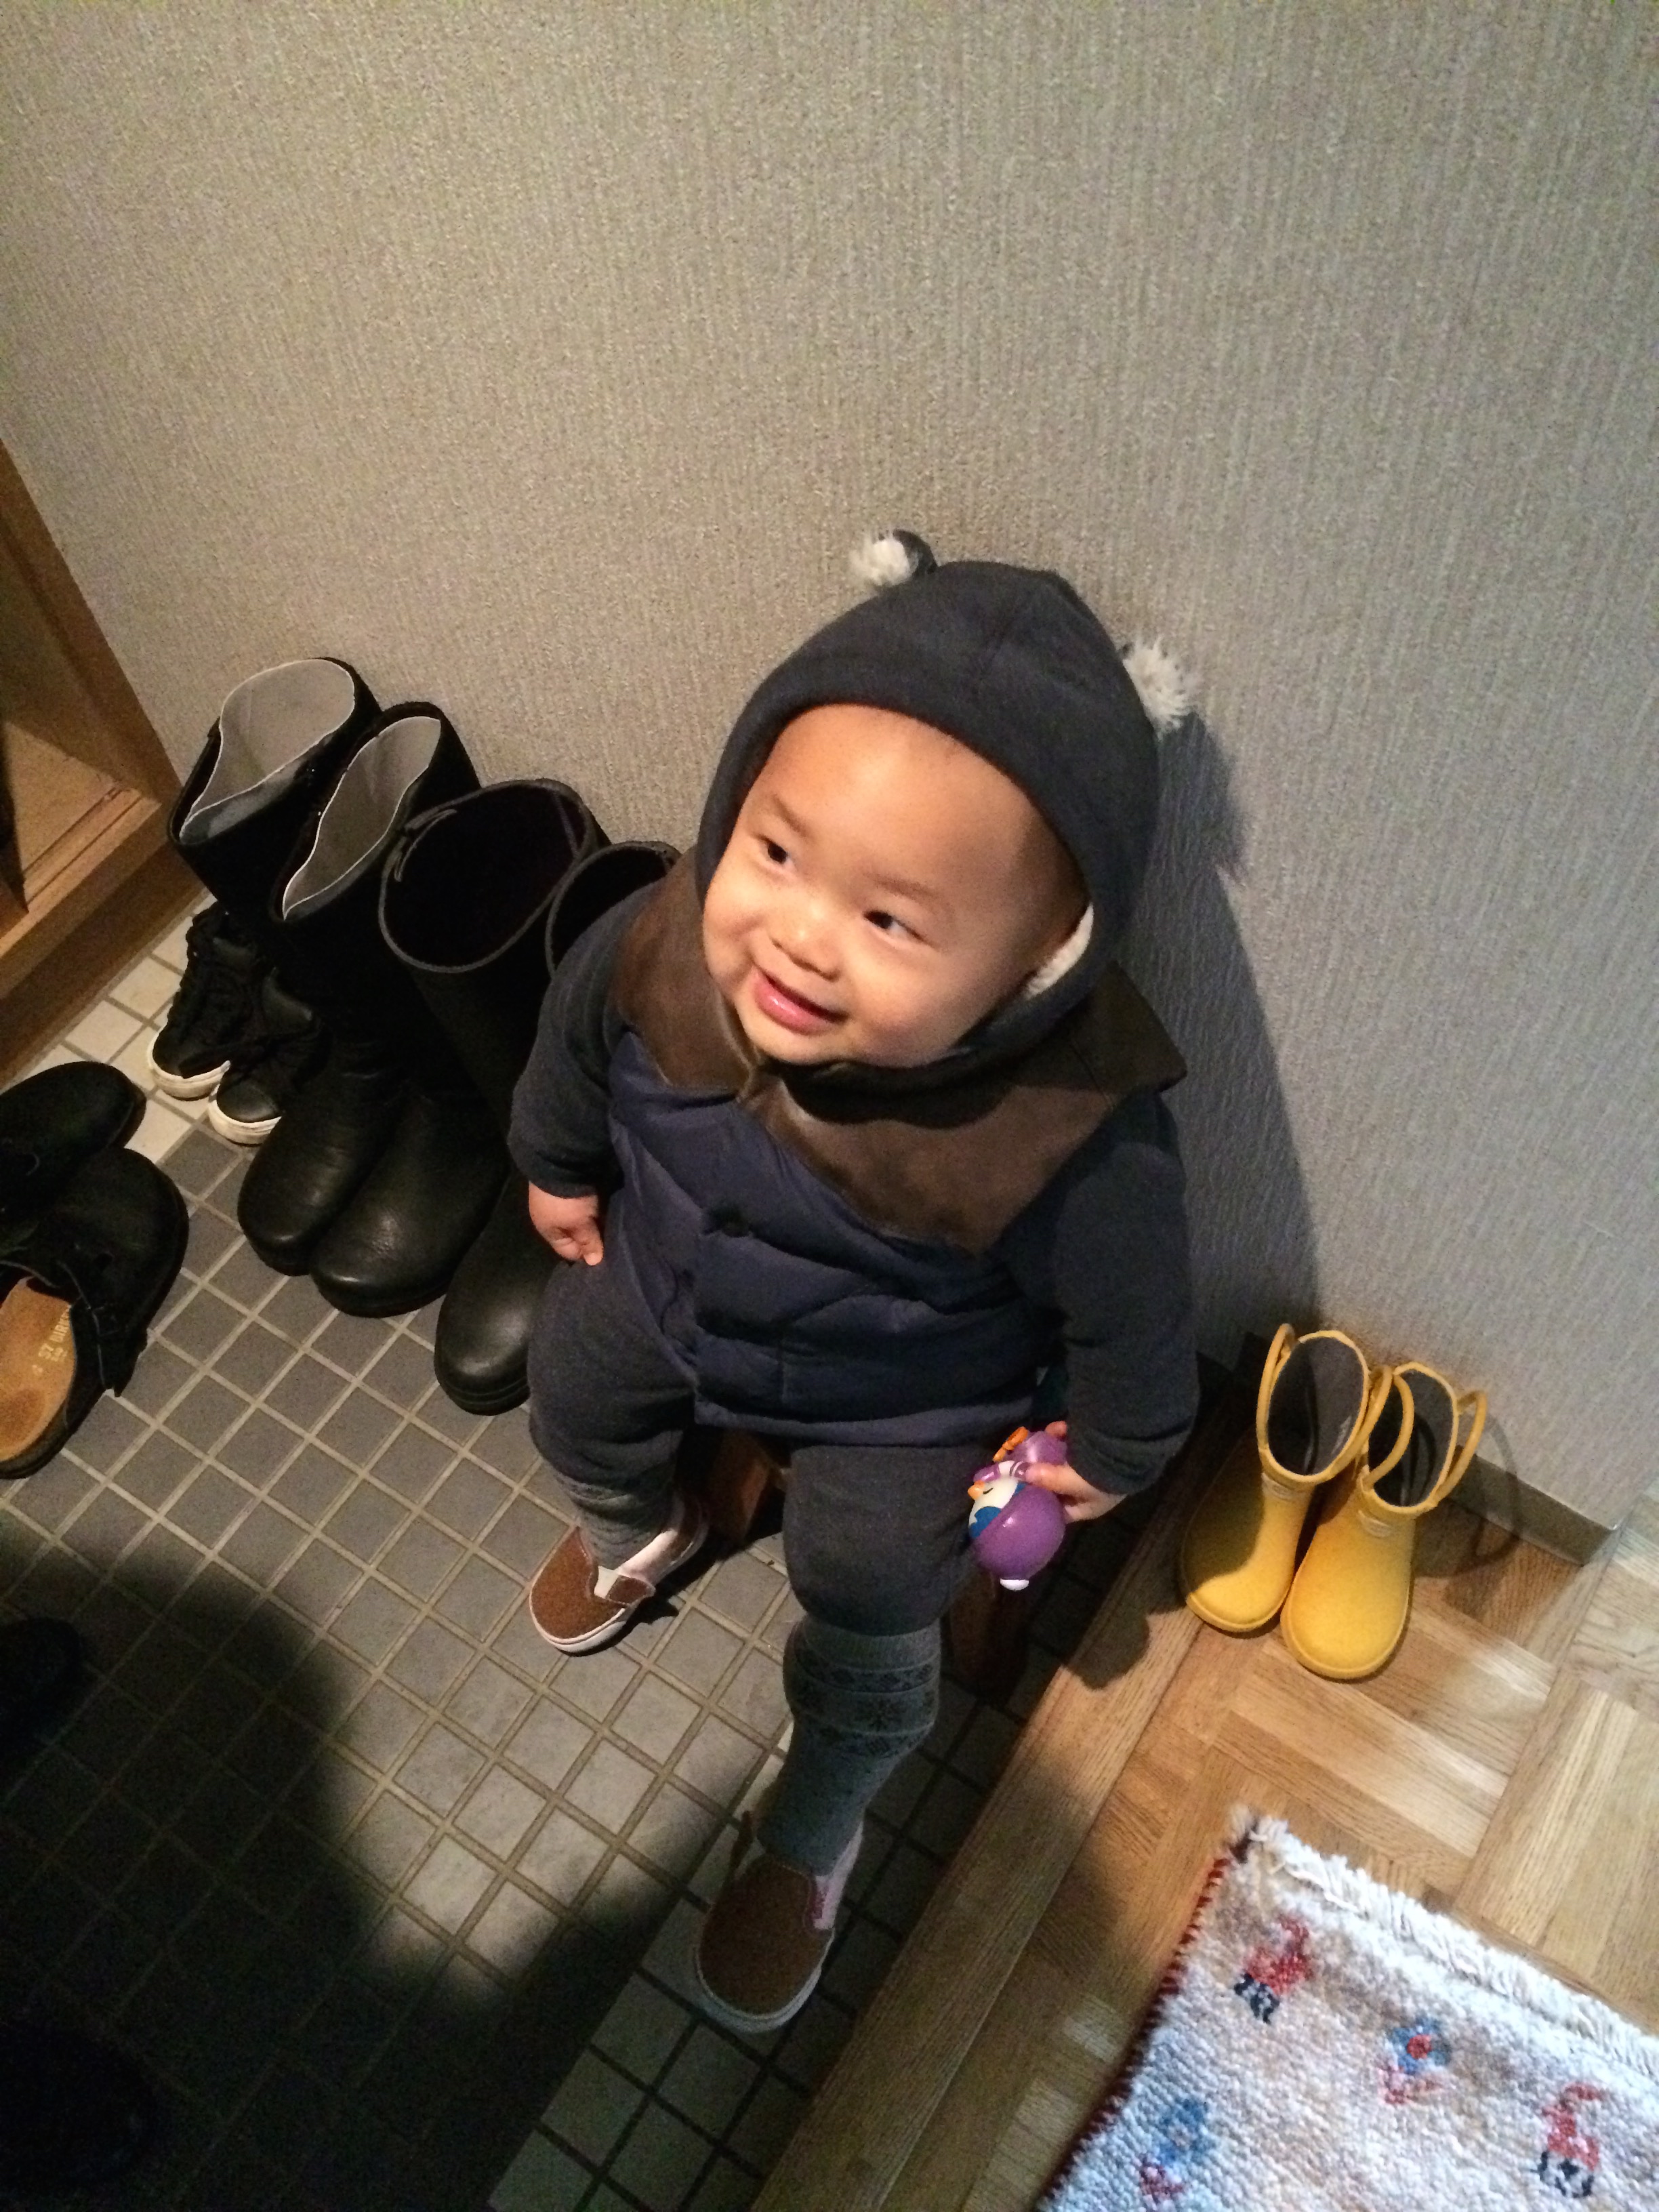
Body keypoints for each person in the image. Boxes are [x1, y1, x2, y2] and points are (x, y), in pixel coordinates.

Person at [508, 532, 1199, 2032]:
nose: (799, 936)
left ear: (1036, 966)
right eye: (774, 852)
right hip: (667, 1279)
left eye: (890, 920)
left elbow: (1136, 1314)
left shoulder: (1068, 1124)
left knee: (876, 1584)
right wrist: (555, 1157)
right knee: (568, 1379)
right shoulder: (668, 935)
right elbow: (574, 1031)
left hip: (905, 1402)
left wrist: (1119, 1444)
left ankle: (815, 1830)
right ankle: (647, 1523)